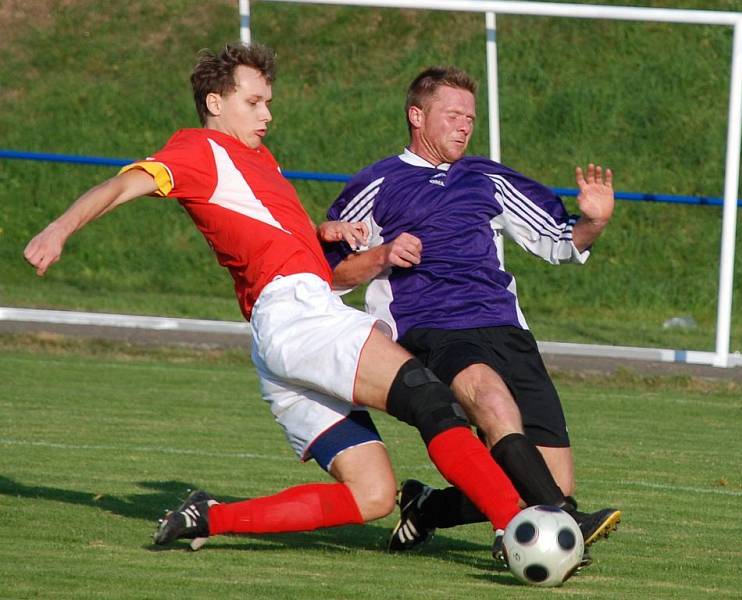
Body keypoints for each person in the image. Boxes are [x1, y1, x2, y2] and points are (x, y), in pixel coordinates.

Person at [23, 45, 526, 555]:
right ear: (216, 102)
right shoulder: (200, 150)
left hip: (283, 334)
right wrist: (59, 229)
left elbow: (265, 234)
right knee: (430, 398)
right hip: (298, 317)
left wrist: (320, 234)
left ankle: (206, 519)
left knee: (371, 496)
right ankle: (518, 528)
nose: (268, 114)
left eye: (268, 102)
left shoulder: (258, 159)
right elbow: (121, 185)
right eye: (254, 101)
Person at [324, 66, 620, 562]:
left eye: (470, 117)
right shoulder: (377, 183)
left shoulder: (486, 177)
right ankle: (563, 519)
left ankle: (428, 509)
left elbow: (559, 242)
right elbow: (328, 275)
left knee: (547, 475)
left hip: (507, 329)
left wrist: (593, 222)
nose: (465, 126)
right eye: (453, 114)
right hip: (433, 328)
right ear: (417, 116)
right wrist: (381, 255)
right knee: (490, 399)